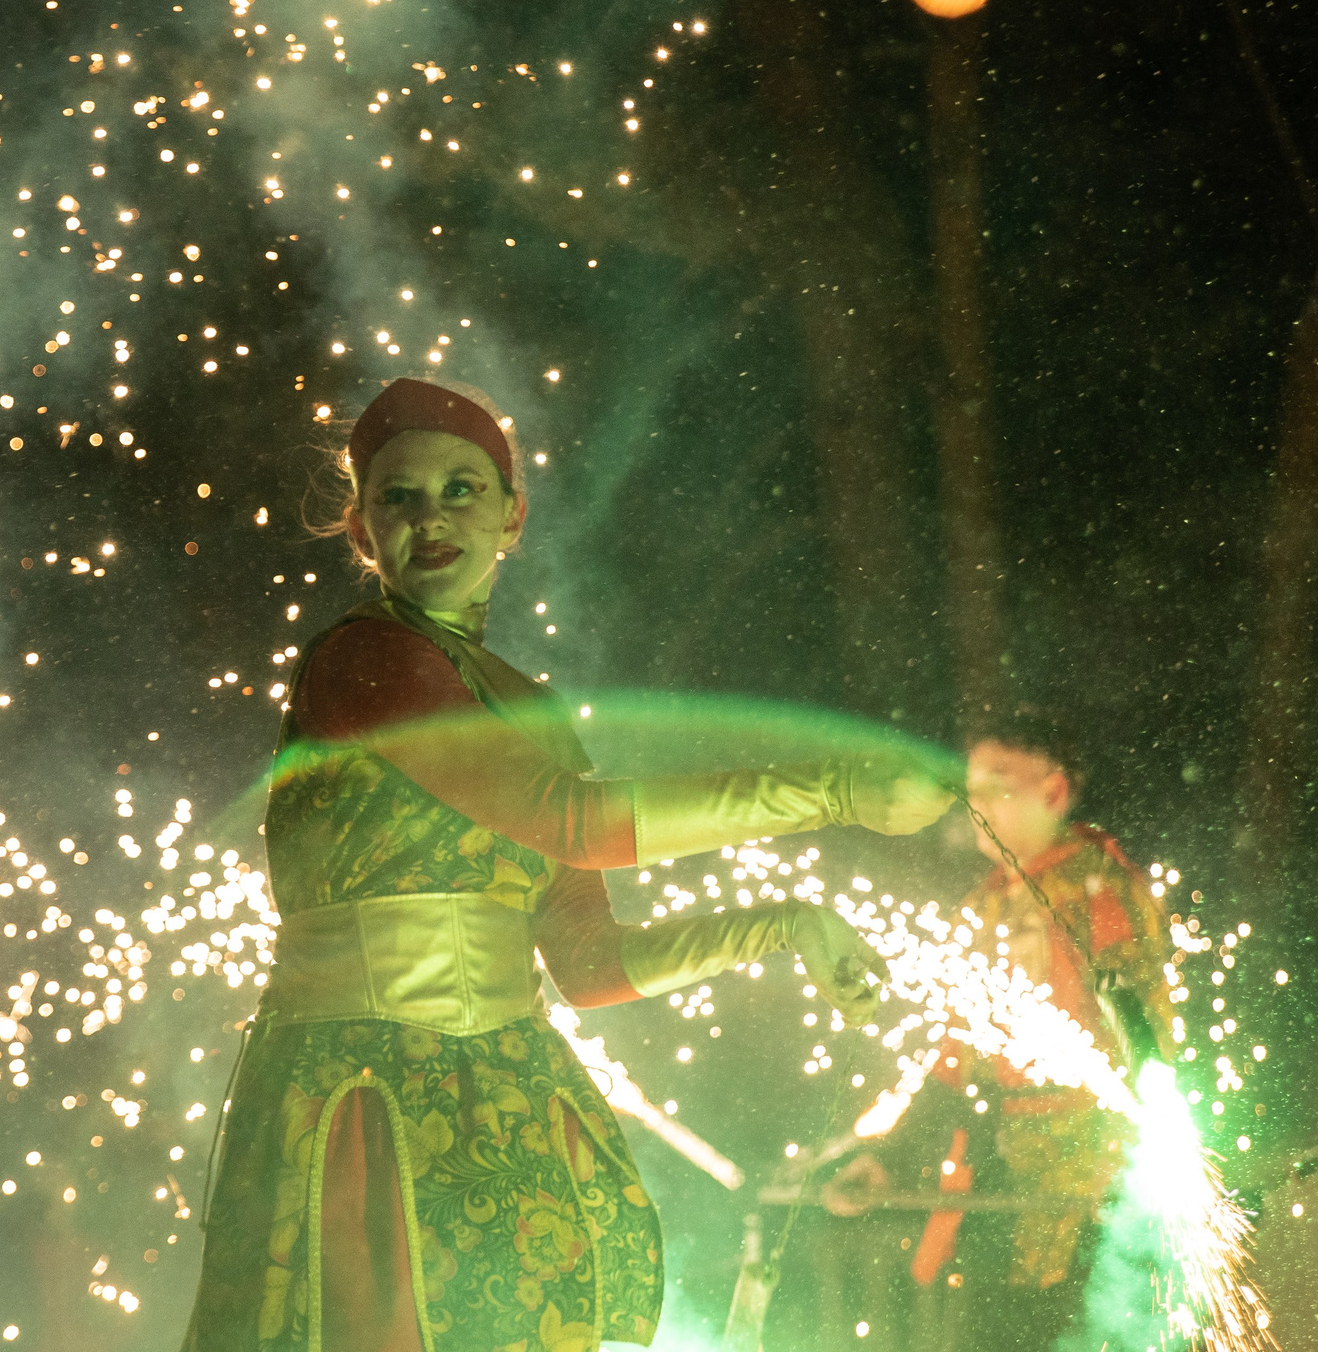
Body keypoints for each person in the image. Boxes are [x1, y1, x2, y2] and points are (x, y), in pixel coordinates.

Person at [180, 378, 959, 1352]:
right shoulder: (363, 661)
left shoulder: (527, 708)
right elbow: (571, 820)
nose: (430, 519)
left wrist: (781, 924)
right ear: (360, 526)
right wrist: (831, 791)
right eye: (399, 497)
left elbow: (589, 966)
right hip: (364, 1094)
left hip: (509, 1088)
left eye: (461, 489)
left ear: (513, 513)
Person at [819, 707, 1176, 1351]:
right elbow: (957, 1055)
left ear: (1054, 792)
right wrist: (891, 1159)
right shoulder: (986, 903)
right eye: (972, 785)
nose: (974, 801)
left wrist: (1143, 1160)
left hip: (1084, 1194)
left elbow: (1147, 1033)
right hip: (995, 1180)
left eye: (997, 785)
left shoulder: (1099, 891)